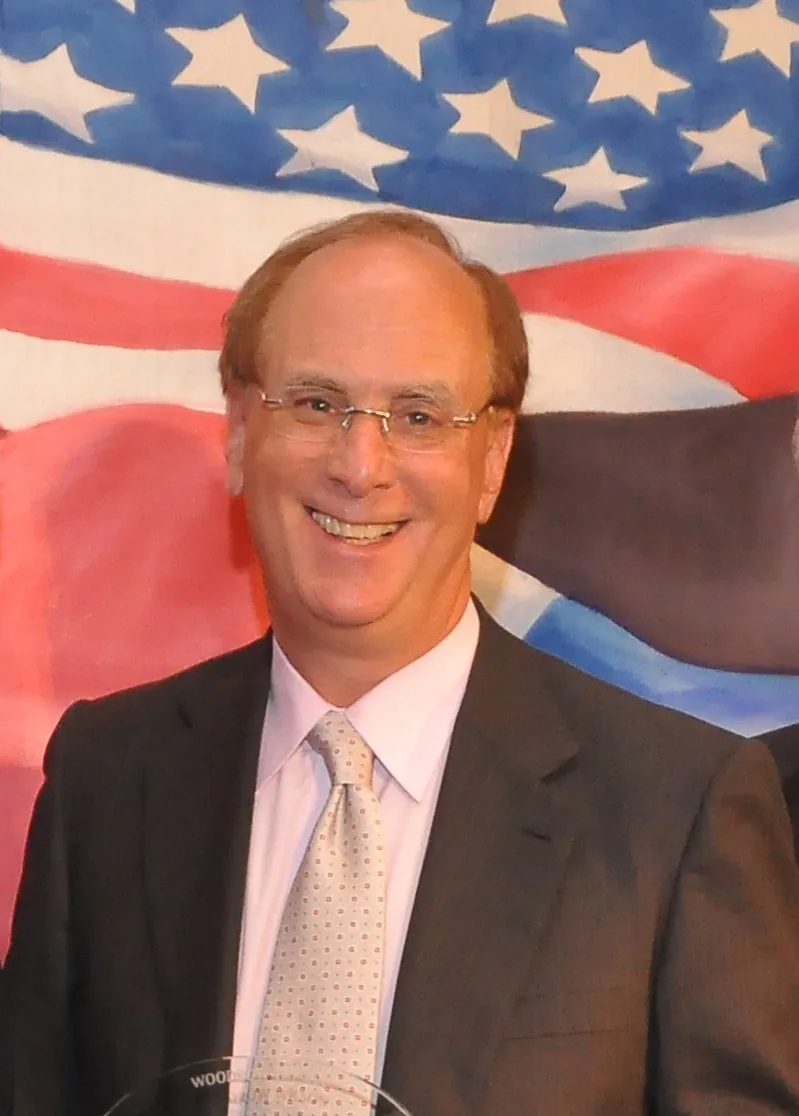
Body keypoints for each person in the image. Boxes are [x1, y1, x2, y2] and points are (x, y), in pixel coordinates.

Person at [2, 210, 799, 1116]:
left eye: (417, 416)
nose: (359, 463)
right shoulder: (108, 778)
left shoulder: (675, 808)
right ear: (236, 432)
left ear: (491, 459)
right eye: (314, 403)